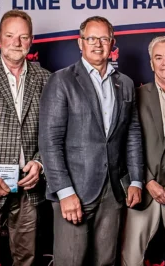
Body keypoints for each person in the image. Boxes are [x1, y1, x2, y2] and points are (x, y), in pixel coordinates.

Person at [38, 16, 143, 266]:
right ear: (80, 42)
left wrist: (136, 180)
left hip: (113, 192)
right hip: (74, 190)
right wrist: (64, 192)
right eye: (91, 38)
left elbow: (133, 135)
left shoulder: (125, 84)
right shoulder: (61, 81)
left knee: (106, 261)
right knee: (71, 261)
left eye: (104, 38)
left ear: (112, 43)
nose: (98, 44)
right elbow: (49, 141)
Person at [121, 36, 165, 266]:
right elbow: (125, 143)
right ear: (151, 63)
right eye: (158, 58)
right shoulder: (136, 95)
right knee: (131, 257)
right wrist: (146, 181)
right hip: (144, 189)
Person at [0, 9, 50, 265]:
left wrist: (40, 162)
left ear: (31, 40)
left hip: (28, 187)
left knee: (26, 258)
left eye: (23, 37)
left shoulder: (46, 79)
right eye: (10, 35)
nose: (16, 43)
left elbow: (54, 133)